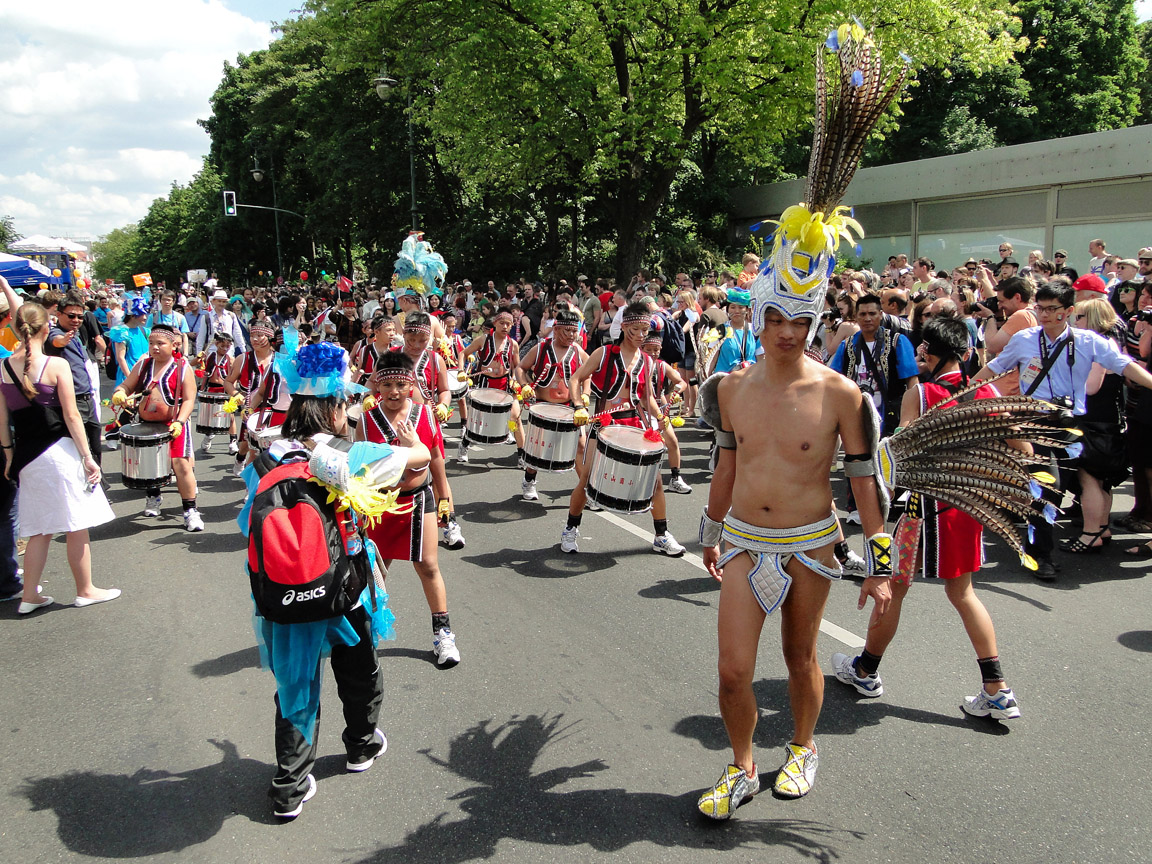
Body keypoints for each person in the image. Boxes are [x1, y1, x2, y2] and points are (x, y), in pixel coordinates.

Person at [237, 341, 430, 819]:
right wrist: (406, 438)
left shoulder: (265, 456)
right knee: (358, 662)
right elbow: (420, 459)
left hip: (282, 583)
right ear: (336, 405)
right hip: (344, 583)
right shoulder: (351, 453)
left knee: (296, 683)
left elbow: (248, 521)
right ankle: (361, 745)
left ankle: (289, 786)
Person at [830, 317, 1020, 719]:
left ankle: (865, 670)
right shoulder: (986, 393)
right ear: (966, 354)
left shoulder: (923, 393)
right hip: (966, 507)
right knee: (963, 593)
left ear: (926, 353)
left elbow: (902, 456)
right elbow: (1020, 445)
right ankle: (997, 687)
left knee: (894, 588)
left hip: (922, 511)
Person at [974, 281, 1152, 580]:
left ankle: (1037, 544)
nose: (1044, 315)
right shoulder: (1024, 339)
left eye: (1052, 309)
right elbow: (994, 368)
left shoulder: (1088, 341)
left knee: (1064, 486)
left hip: (1070, 423)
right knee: (1048, 486)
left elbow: (1124, 366)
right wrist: (961, 390)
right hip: (1033, 420)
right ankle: (1040, 555)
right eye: (1040, 308)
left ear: (1069, 311)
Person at [0, 297, 120, 614]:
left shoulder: (3, 367)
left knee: (39, 528)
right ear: (45, 328)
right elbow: (72, 416)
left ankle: (29, 596)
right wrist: (88, 456)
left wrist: (10, 456)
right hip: (59, 451)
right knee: (76, 524)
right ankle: (86, 589)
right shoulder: (56, 365)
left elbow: (2, 421)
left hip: (25, 456)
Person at [356, 352, 461, 666]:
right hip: (378, 504)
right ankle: (367, 635)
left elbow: (436, 459)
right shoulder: (366, 419)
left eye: (400, 384)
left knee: (428, 566)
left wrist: (446, 499)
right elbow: (359, 467)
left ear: (410, 383)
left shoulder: (425, 415)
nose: (393, 391)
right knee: (375, 572)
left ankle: (443, 636)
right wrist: (359, 506)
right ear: (377, 384)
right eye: (386, 384)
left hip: (417, 501)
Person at [559, 302, 686, 557]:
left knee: (656, 483)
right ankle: (570, 529)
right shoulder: (604, 353)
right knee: (586, 481)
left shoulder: (648, 361)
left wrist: (660, 416)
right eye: (636, 329)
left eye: (645, 330)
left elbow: (646, 397)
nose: (641, 335)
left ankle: (661, 536)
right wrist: (577, 405)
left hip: (634, 425)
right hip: (604, 425)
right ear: (625, 326)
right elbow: (576, 378)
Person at [111, 324, 203, 530]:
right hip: (147, 425)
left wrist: (180, 421)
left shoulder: (182, 366)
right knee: (150, 464)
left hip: (173, 424)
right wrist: (120, 392)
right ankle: (153, 497)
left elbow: (189, 399)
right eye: (152, 343)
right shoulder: (144, 364)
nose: (155, 347)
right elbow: (127, 385)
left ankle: (190, 510)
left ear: (173, 345)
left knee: (180, 464)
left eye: (160, 343)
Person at [391, 310, 465, 550]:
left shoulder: (435, 359)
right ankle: (395, 522)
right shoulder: (392, 356)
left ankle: (449, 521)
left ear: (430, 338)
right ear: (403, 335)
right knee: (399, 474)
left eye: (421, 340)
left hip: (427, 422)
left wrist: (443, 405)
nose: (415, 345)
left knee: (439, 473)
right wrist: (371, 397)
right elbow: (373, 383)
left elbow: (445, 389)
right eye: (410, 339)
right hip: (397, 423)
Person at [1058, 298, 1128, 552]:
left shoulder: (1099, 346)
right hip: (1104, 420)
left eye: (1081, 317)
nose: (1076, 322)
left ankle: (1091, 534)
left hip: (1095, 422)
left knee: (1090, 480)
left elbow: (1091, 387)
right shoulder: (1109, 343)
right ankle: (1102, 527)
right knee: (1100, 481)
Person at [515, 305, 589, 501]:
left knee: (581, 446)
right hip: (543, 406)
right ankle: (529, 480)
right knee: (538, 446)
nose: (572, 335)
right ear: (556, 329)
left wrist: (586, 394)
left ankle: (585, 490)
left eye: (575, 331)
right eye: (568, 330)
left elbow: (588, 374)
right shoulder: (540, 348)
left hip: (569, 406)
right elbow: (521, 368)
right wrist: (524, 385)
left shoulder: (578, 351)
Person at [458, 309, 523, 462]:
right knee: (478, 419)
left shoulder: (513, 344)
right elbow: (463, 353)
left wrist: (515, 379)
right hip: (485, 383)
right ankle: (464, 444)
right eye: (502, 323)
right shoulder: (483, 340)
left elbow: (517, 367)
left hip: (505, 384)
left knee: (515, 417)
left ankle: (522, 454)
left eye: (508, 324)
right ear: (495, 323)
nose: (505, 326)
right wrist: (461, 370)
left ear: (512, 325)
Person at [640, 320, 691, 494]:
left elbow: (681, 382)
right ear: (642, 349)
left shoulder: (662, 365)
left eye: (656, 350)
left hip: (660, 412)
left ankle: (675, 478)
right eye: (649, 350)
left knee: (673, 442)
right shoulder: (636, 365)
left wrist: (674, 394)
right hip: (640, 412)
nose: (653, 353)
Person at [194, 331, 238, 453]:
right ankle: (208, 436)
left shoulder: (231, 359)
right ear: (216, 344)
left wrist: (233, 393)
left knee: (231, 417)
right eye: (222, 346)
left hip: (225, 390)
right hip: (210, 389)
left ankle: (232, 442)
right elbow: (192, 364)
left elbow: (235, 377)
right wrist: (198, 358)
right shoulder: (209, 356)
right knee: (210, 416)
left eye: (227, 346)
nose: (225, 349)